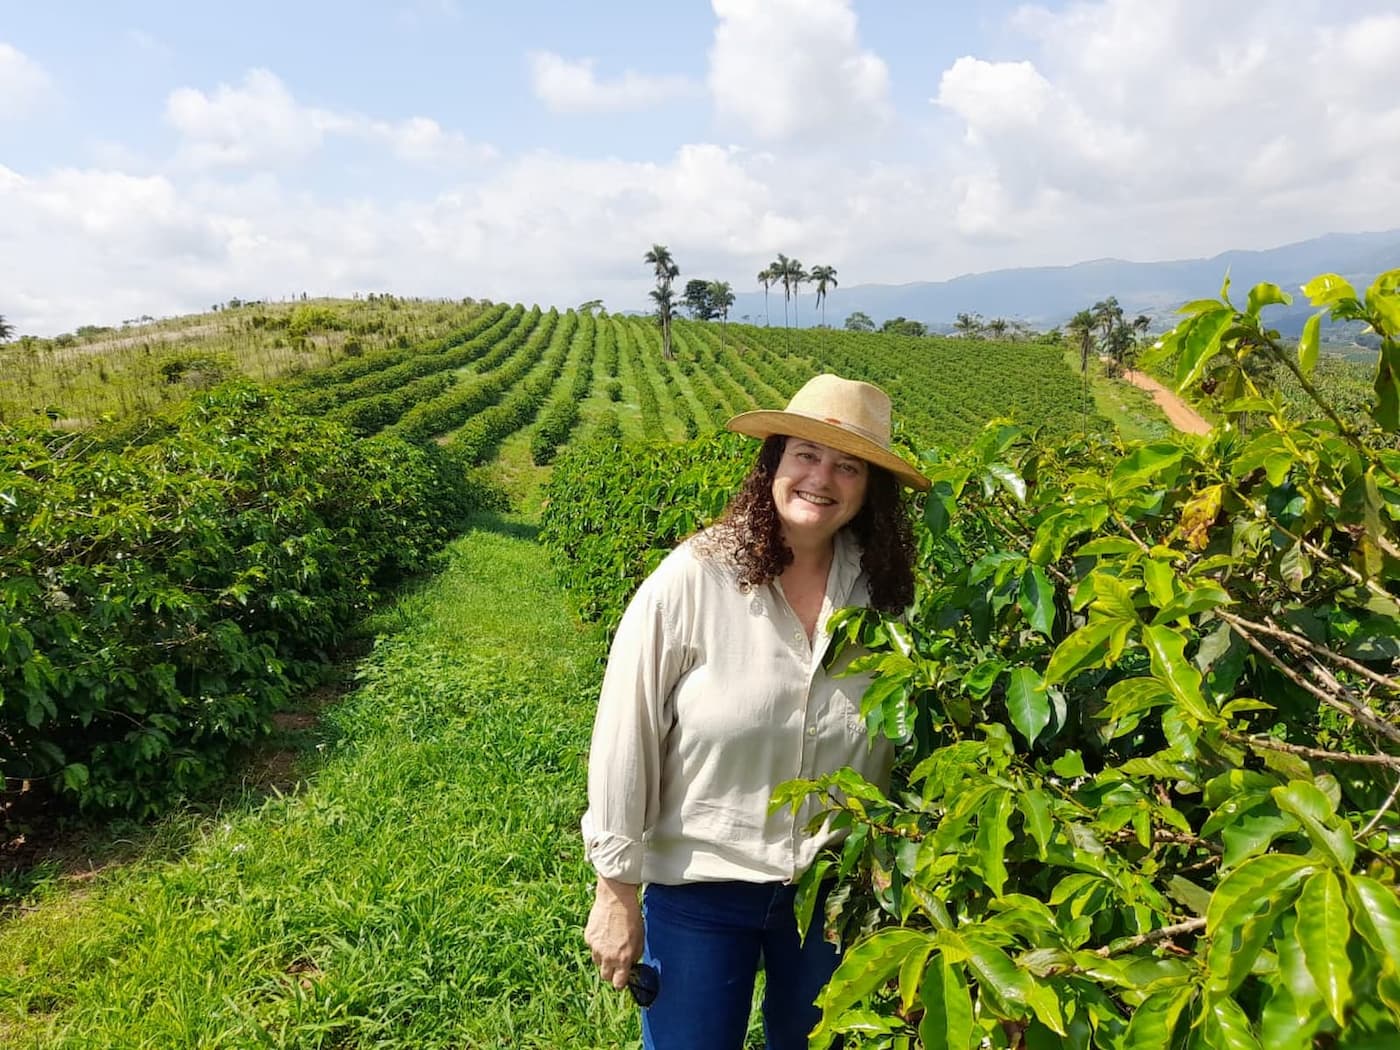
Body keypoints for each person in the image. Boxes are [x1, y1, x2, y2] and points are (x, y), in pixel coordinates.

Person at [582, 373, 929, 1050]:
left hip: (832, 890)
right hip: (702, 888)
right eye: (806, 454)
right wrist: (616, 889)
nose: (821, 478)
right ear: (773, 462)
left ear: (870, 489)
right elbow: (627, 731)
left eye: (848, 466)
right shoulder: (695, 577)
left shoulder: (884, 594)